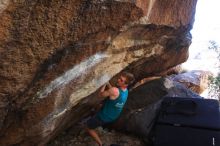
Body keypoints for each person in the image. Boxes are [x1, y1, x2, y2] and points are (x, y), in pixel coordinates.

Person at [85, 72, 135, 146]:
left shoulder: (114, 90)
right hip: (113, 115)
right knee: (99, 106)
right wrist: (108, 83)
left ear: (126, 84)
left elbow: (100, 95)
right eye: (119, 78)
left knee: (88, 127)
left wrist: (104, 83)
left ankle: (100, 144)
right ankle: (94, 118)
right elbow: (113, 92)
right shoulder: (126, 91)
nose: (118, 80)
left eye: (121, 80)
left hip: (104, 116)